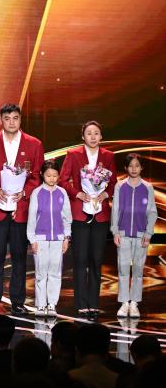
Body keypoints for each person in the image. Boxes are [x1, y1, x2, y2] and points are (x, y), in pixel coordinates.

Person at [0, 103, 43, 316]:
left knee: (20, 257)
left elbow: (37, 175)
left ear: (20, 119)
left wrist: (25, 192)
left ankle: (18, 301)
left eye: (15, 118)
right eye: (7, 118)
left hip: (21, 210)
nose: (11, 122)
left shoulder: (34, 144)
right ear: (0, 120)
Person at [60, 121, 116, 317]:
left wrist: (105, 194)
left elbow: (113, 182)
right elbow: (62, 180)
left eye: (96, 133)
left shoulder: (108, 156)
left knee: (96, 259)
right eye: (89, 133)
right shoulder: (73, 154)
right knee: (80, 258)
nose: (93, 136)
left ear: (101, 136)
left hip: (100, 214)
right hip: (80, 212)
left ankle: (93, 302)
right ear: (83, 136)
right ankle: (81, 303)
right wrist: (77, 193)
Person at [111, 153, 157, 318]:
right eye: (130, 166)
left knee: (138, 270)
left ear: (141, 167)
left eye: (137, 166)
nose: (134, 169)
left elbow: (152, 211)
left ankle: (134, 303)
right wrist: (115, 231)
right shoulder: (120, 186)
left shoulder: (148, 187)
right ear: (126, 168)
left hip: (141, 235)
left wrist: (148, 233)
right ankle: (124, 303)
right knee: (123, 269)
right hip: (123, 234)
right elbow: (115, 209)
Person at [26, 160, 72, 317]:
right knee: (41, 273)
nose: (52, 178)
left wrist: (66, 237)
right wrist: (32, 239)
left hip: (58, 239)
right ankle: (41, 305)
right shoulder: (37, 193)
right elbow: (32, 218)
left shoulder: (62, 193)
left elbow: (67, 217)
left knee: (55, 272)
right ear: (42, 175)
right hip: (40, 239)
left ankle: (51, 304)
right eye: (48, 175)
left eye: (55, 175)